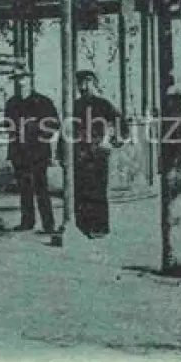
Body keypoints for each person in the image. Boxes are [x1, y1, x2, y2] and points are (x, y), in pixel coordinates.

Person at [4, 60, 60, 234]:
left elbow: (54, 124)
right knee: (24, 189)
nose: (20, 82)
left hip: (38, 153)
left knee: (41, 188)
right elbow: (8, 127)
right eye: (17, 79)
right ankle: (27, 221)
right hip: (19, 153)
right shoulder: (11, 103)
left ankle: (48, 224)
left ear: (30, 79)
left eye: (23, 78)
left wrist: (36, 131)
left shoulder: (43, 102)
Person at [72, 70, 124, 238]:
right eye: (80, 83)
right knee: (80, 190)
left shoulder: (103, 104)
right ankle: (82, 225)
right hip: (80, 152)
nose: (83, 87)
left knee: (98, 191)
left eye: (87, 83)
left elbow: (119, 121)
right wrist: (61, 152)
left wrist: (114, 139)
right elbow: (67, 128)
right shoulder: (75, 105)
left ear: (93, 83)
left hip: (98, 153)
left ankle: (100, 227)